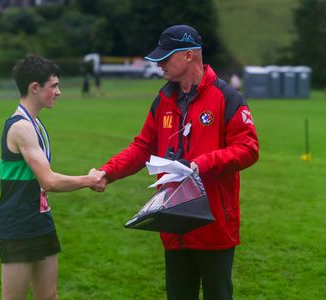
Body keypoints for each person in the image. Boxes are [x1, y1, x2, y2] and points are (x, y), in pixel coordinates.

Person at [96, 25, 259, 300]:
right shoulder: (162, 100)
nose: (159, 64)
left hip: (214, 227)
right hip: (173, 225)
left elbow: (248, 149)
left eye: (166, 57)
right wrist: (108, 172)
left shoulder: (227, 98)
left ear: (189, 55)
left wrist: (204, 163)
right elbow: (142, 148)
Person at [0, 54, 105, 300]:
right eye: (54, 86)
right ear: (35, 88)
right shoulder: (20, 127)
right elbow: (49, 181)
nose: (59, 92)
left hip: (40, 218)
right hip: (17, 224)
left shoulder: (36, 123)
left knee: (49, 296)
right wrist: (88, 180)